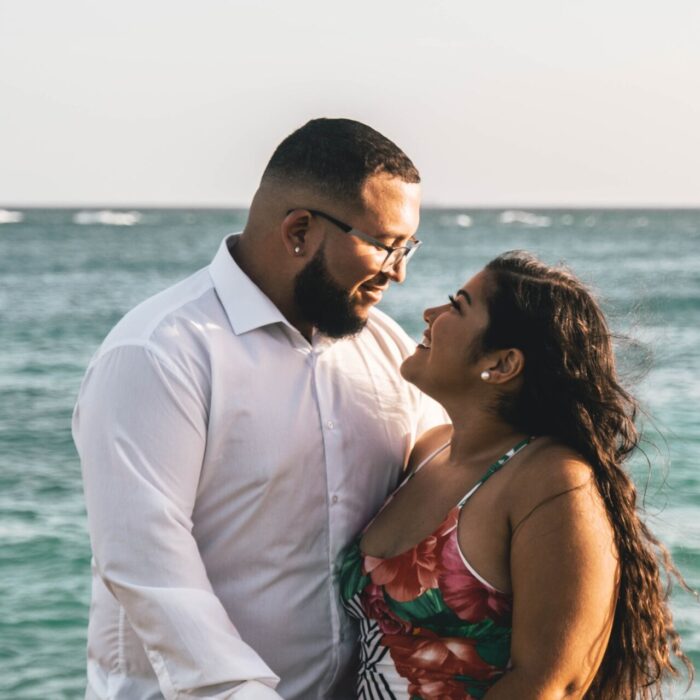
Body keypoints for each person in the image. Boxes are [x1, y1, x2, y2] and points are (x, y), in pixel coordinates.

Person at [72, 118, 446, 699]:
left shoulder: (389, 347)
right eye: (384, 244)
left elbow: (451, 484)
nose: (398, 271)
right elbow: (146, 563)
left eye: (408, 247)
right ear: (299, 230)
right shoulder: (158, 351)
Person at [339, 251, 694, 699]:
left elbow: (551, 684)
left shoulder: (552, 480)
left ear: (503, 364)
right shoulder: (429, 450)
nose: (431, 313)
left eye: (458, 304)